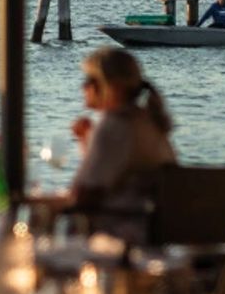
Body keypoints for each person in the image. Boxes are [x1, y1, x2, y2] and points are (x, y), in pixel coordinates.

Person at [66, 47, 178, 240]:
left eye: (89, 81)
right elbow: (114, 176)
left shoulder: (114, 124)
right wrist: (86, 142)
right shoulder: (149, 120)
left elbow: (87, 195)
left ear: (113, 87)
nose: (83, 88)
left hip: (117, 237)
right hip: (155, 233)